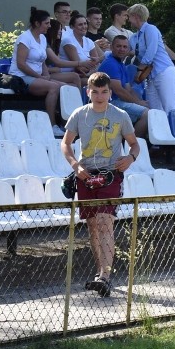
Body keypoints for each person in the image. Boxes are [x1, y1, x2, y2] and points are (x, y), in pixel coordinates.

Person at [61, 72, 140, 298]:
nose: (99, 95)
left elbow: (134, 145)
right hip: (85, 175)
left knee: (106, 222)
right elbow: (66, 143)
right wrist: (76, 166)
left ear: (110, 93)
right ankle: (100, 273)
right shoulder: (79, 114)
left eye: (104, 91)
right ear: (88, 92)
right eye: (95, 91)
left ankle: (105, 276)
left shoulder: (120, 115)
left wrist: (130, 158)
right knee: (93, 225)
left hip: (110, 175)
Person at [9, 7, 78, 136]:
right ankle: (52, 125)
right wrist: (39, 77)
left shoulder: (42, 38)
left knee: (68, 88)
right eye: (47, 23)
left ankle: (68, 125)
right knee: (54, 87)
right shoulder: (25, 38)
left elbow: (42, 62)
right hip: (20, 77)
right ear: (37, 23)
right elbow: (21, 64)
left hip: (37, 77)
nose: (49, 26)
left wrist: (46, 75)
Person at [128, 3, 175, 112]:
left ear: (136, 16)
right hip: (150, 76)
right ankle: (159, 129)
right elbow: (127, 51)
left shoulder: (151, 29)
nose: (129, 20)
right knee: (154, 110)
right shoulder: (134, 37)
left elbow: (151, 51)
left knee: (170, 107)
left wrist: (140, 69)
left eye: (130, 17)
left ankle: (174, 129)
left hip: (163, 71)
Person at [98, 35, 149, 137]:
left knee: (150, 108)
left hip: (118, 102)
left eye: (125, 47)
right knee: (147, 114)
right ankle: (131, 144)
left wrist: (141, 102)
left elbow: (128, 89)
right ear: (112, 47)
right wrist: (138, 102)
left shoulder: (120, 64)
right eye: (118, 46)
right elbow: (119, 91)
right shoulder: (110, 63)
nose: (122, 49)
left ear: (128, 49)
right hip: (109, 103)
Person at [45, 18, 94, 85]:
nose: (60, 31)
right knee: (75, 77)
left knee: (75, 81)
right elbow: (58, 64)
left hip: (55, 72)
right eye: (58, 29)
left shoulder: (54, 45)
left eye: (85, 23)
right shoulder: (66, 41)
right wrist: (81, 63)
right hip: (45, 74)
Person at [61, 11, 104, 84]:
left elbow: (96, 62)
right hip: (70, 75)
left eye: (85, 24)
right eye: (80, 25)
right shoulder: (68, 41)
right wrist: (92, 69)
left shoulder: (88, 41)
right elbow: (79, 68)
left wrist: (93, 69)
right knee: (99, 83)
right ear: (72, 27)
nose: (84, 27)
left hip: (87, 75)